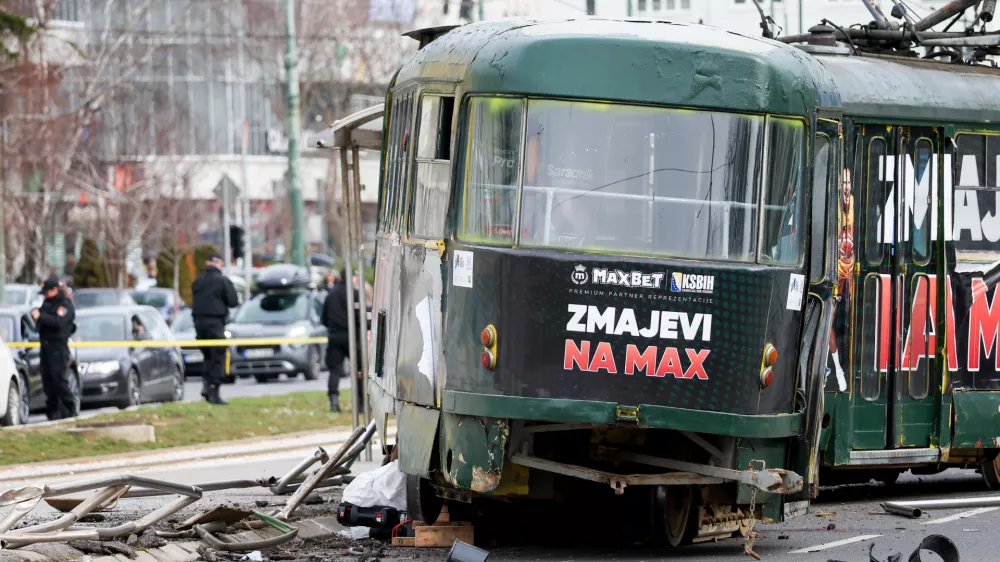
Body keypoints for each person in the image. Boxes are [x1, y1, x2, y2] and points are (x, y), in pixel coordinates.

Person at [191, 253, 239, 405]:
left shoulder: (197, 281)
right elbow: (233, 301)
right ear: (219, 263)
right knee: (218, 357)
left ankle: (206, 386)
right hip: (215, 324)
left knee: (207, 357)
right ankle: (214, 391)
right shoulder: (222, 281)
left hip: (199, 324)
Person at [31, 276, 77, 420]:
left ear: (55, 290)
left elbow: (58, 323)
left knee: (59, 381)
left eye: (47, 291)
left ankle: (71, 406)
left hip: (58, 349)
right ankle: (52, 413)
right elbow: (40, 327)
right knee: (48, 382)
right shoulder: (46, 305)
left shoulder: (65, 305)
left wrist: (40, 317)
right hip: (45, 348)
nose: (44, 295)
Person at [321, 268, 363, 413]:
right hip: (352, 337)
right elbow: (360, 317)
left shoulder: (331, 294)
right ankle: (361, 403)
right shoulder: (355, 294)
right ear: (351, 277)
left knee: (335, 370)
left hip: (335, 336)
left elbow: (324, 318)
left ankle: (333, 402)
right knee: (359, 370)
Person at [828, 167, 855, 393]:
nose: (846, 187)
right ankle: (837, 369)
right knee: (830, 321)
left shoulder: (853, 205)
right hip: (837, 272)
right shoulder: (834, 209)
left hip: (850, 271)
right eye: (843, 183)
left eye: (849, 183)